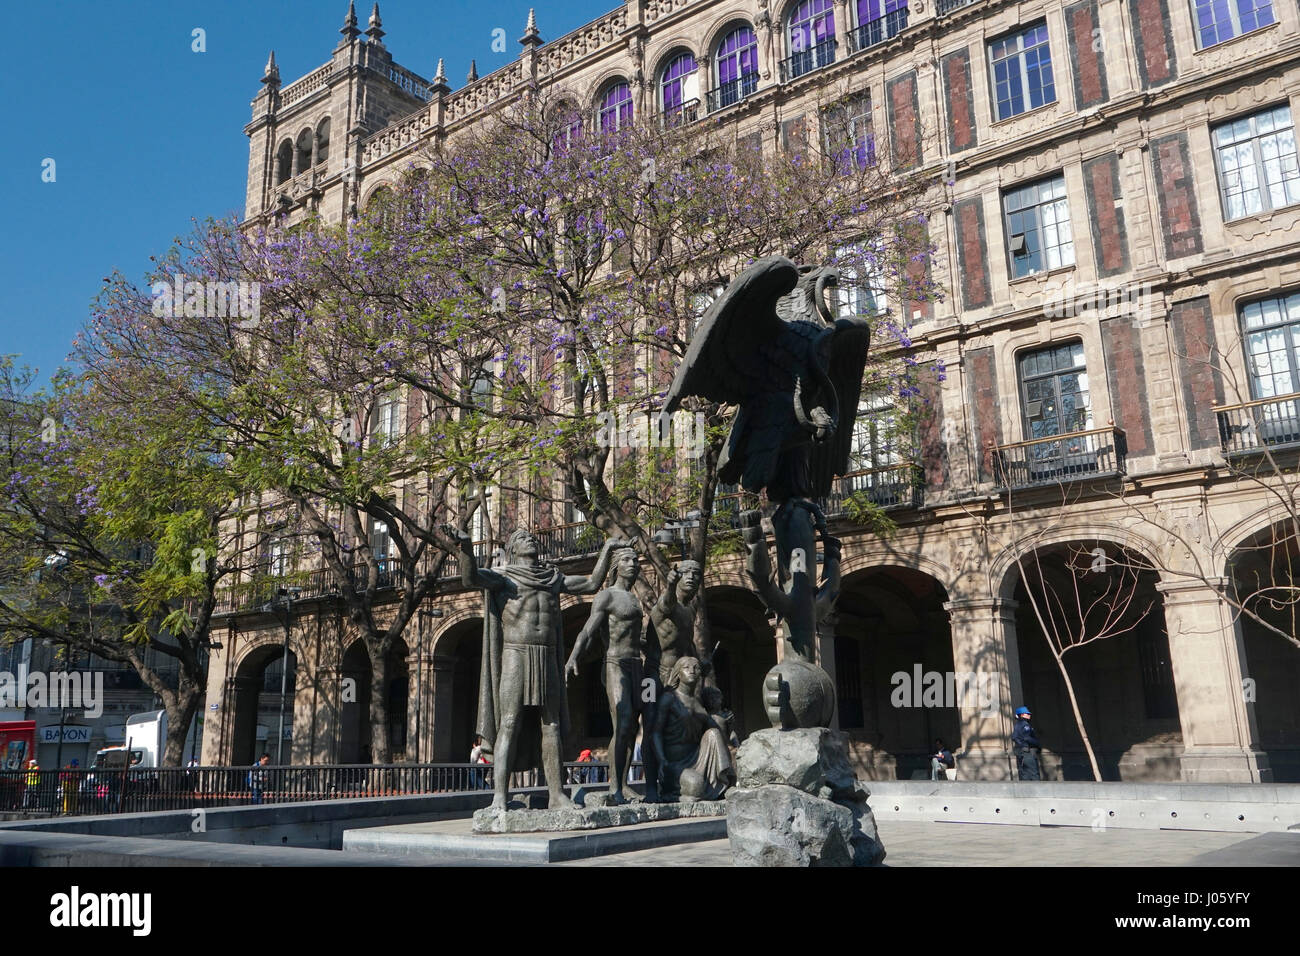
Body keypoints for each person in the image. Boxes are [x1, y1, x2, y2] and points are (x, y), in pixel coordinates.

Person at [1012, 706, 1041, 781]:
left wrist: (1020, 745)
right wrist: (1037, 743)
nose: (1029, 715)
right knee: (1034, 774)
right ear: (1021, 715)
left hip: (1021, 753)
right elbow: (1027, 737)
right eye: (1026, 714)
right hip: (1027, 752)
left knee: (1025, 774)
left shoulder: (1017, 725)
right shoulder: (1025, 724)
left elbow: (1014, 737)